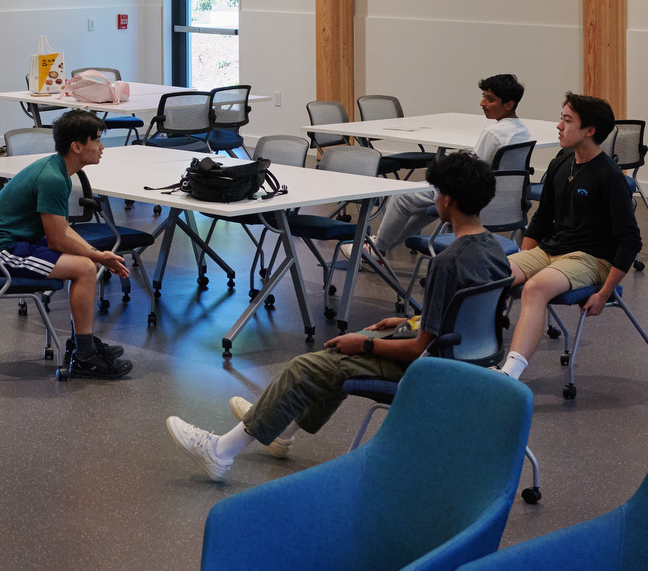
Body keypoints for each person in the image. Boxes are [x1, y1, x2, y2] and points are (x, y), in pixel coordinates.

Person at [167, 151, 509, 479]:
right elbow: (463, 316)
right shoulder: (495, 249)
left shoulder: (446, 263)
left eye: (436, 192)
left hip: (430, 368)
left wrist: (365, 345)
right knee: (334, 355)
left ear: (447, 199)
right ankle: (279, 427)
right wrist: (407, 322)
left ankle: (221, 451)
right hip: (469, 360)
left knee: (308, 366)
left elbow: (418, 349)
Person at [0, 110, 134, 379]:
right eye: (97, 140)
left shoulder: (58, 170)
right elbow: (57, 239)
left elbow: (63, 229)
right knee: (85, 268)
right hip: (0, 252)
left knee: (87, 263)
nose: (102, 147)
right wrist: (97, 257)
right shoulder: (53, 178)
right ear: (77, 147)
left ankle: (82, 345)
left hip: (17, 243)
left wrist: (96, 254)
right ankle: (85, 356)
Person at [496, 93, 641, 381]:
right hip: (551, 250)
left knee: (535, 288)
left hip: (591, 258)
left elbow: (630, 240)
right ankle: (469, 354)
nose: (559, 126)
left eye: (567, 120)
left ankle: (508, 375)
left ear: (589, 131)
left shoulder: (610, 176)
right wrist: (523, 262)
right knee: (489, 275)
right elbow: (541, 219)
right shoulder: (561, 163)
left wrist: (603, 294)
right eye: (561, 118)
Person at [372, 73, 531, 256]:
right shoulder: (523, 130)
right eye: (483, 97)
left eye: (490, 99)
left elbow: (469, 172)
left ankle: (377, 250)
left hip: (476, 199)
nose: (482, 103)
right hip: (507, 204)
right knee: (423, 205)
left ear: (509, 104)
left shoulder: (493, 133)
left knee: (402, 197)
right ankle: (379, 250)